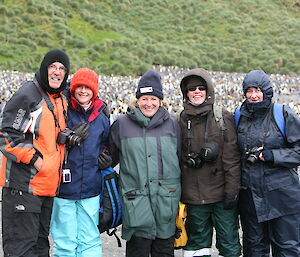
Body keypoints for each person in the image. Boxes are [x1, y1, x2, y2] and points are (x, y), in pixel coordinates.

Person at [100, 70, 181, 257]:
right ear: (137, 101)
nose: (149, 103)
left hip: (166, 206)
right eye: (144, 99)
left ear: (160, 100)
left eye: (153, 98)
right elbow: (111, 159)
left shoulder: (173, 126)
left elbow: (181, 162)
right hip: (136, 207)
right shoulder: (121, 125)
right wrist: (103, 163)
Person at [0, 49, 70, 257]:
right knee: (22, 250)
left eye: (62, 69)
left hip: (45, 191)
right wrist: (35, 160)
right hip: (24, 188)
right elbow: (6, 135)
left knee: (40, 249)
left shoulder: (59, 98)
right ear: (43, 68)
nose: (57, 72)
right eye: (52, 67)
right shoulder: (28, 95)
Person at [236, 70, 300, 257]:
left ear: (267, 91)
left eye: (257, 90)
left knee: (286, 248)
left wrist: (273, 156)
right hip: (251, 198)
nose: (253, 95)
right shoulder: (239, 116)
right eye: (249, 91)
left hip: (283, 197)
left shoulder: (282, 114)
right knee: (254, 249)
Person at [179, 68, 241, 257]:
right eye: (191, 89)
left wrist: (232, 191)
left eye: (200, 88)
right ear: (185, 93)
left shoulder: (223, 118)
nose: (196, 92)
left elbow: (232, 159)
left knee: (229, 245)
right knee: (196, 247)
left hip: (221, 195)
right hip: (194, 196)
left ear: (208, 90)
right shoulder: (181, 119)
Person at [50, 68, 110, 256]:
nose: (83, 91)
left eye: (88, 87)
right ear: (73, 88)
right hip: (63, 186)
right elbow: (47, 138)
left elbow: (107, 144)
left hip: (90, 186)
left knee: (90, 240)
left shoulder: (101, 114)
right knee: (65, 241)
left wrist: (107, 158)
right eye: (79, 87)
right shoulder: (62, 108)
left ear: (95, 90)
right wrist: (64, 138)